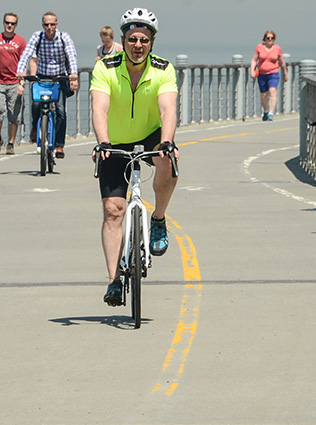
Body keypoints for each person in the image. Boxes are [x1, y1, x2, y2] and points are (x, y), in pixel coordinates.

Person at [90, 8, 179, 305]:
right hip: (114, 140)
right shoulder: (105, 67)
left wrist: (166, 141)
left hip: (151, 134)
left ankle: (158, 218)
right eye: (132, 39)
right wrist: (103, 142)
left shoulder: (164, 69)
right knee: (114, 210)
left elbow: (168, 109)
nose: (137, 45)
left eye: (143, 39)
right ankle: (114, 280)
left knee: (169, 160)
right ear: (123, 40)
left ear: (151, 42)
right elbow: (99, 108)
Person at [16, 11, 79, 159]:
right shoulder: (37, 37)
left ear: (57, 24)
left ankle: (59, 145)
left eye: (52, 24)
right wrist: (20, 71)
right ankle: (34, 128)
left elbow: (71, 55)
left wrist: (73, 75)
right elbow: (27, 53)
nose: (49, 27)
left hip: (60, 77)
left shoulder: (64, 37)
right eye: (46, 24)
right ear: (42, 25)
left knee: (61, 111)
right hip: (43, 76)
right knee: (37, 105)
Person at [0, 12, 27, 155]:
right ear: (3, 23)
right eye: (7, 22)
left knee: (14, 114)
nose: (9, 25)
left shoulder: (21, 42)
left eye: (12, 23)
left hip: (14, 81)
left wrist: (22, 83)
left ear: (16, 25)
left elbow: (24, 63)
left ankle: (11, 143)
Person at [249, 30, 287, 121]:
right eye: (268, 38)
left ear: (274, 39)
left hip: (273, 73)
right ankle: (265, 111)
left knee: (272, 91)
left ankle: (271, 113)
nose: (270, 39)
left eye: (272, 38)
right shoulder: (259, 47)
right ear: (265, 39)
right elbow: (254, 60)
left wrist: (285, 74)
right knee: (263, 95)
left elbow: (282, 62)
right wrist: (252, 71)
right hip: (262, 74)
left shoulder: (277, 48)